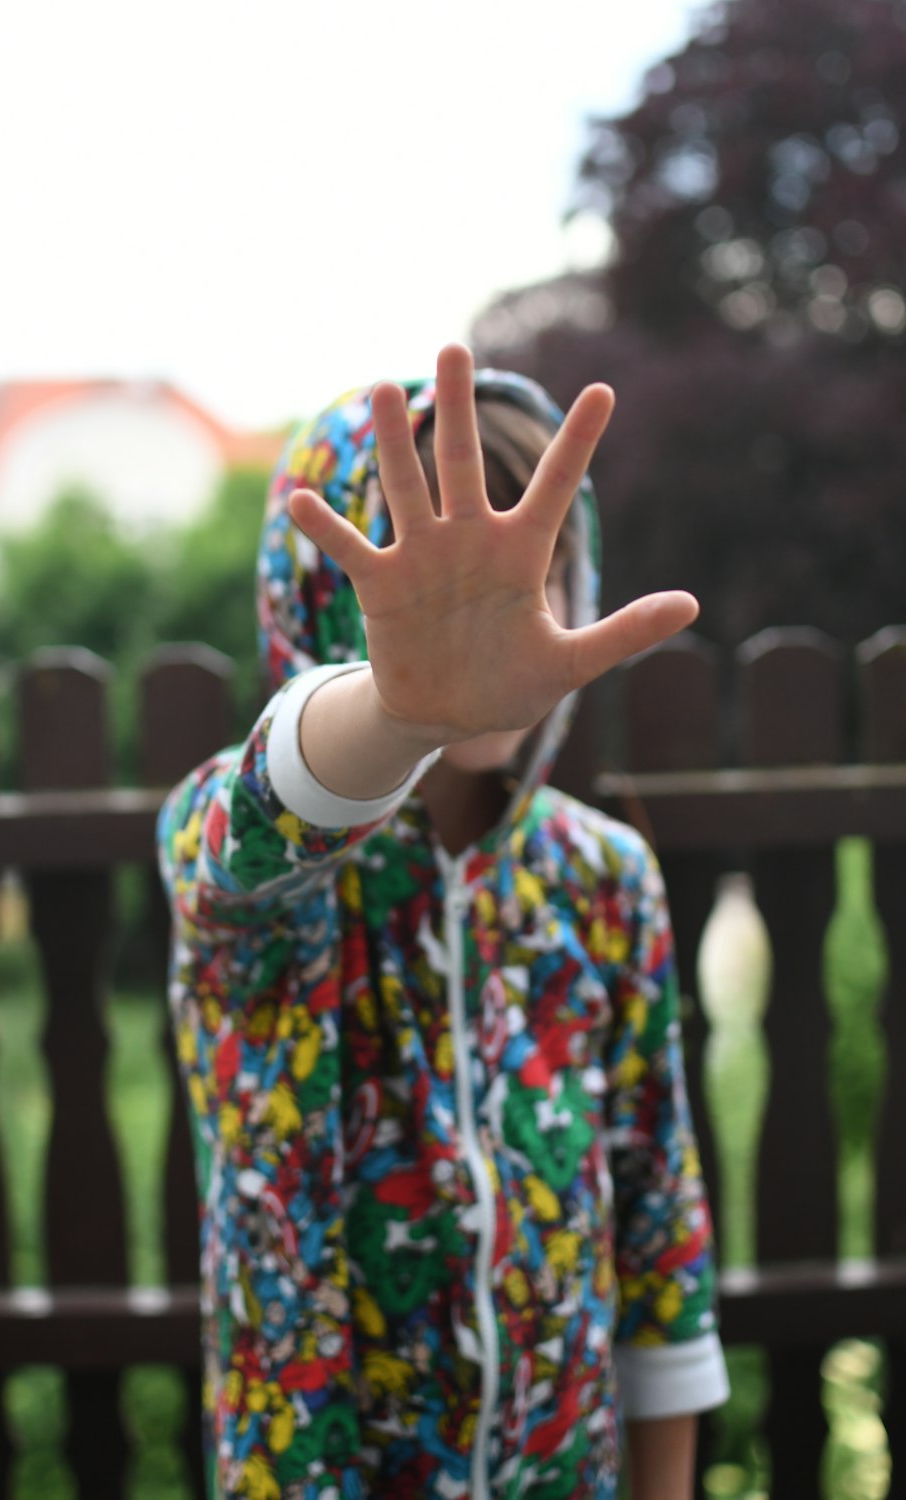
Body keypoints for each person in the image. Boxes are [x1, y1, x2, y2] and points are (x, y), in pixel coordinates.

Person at [157, 344, 729, 1500]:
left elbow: (658, 1225)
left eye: (546, 564)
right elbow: (248, 832)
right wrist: (399, 705)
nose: (513, 607)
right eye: (440, 581)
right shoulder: (263, 877)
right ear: (324, 595)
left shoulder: (604, 880)